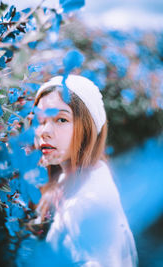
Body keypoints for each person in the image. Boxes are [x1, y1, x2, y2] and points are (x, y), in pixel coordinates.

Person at [27, 74, 138, 267]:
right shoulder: (79, 176)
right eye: (40, 120)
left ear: (87, 128)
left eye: (61, 119)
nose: (44, 131)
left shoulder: (88, 203)